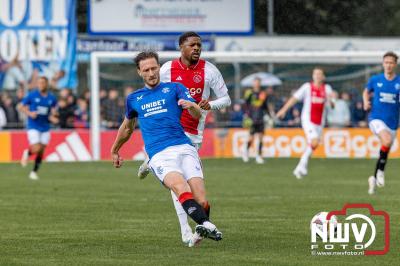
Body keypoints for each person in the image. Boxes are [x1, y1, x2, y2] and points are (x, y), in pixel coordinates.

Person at [110, 51, 222, 247]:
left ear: (158, 67)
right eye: (147, 70)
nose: (152, 73)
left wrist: (191, 106)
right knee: (180, 188)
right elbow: (127, 127)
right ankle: (206, 224)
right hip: (160, 154)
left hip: (185, 147)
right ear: (139, 72)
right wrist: (115, 150)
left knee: (202, 201)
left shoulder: (175, 88)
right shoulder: (134, 98)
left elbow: (197, 115)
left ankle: (200, 230)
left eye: (154, 68)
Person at [137, 31, 231, 244]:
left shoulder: (210, 70)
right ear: (182, 47)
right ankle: (185, 230)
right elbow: (153, 89)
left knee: (192, 189)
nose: (197, 48)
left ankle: (150, 163)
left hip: (193, 133)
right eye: (192, 45)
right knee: (178, 184)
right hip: (171, 129)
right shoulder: (168, 68)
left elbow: (226, 99)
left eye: (199, 45)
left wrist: (211, 104)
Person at [276, 67, 334, 179]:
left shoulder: (327, 88)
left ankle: (300, 168)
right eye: (315, 74)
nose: (317, 76)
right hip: (308, 120)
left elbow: (332, 105)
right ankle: (301, 166)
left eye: (319, 74)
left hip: (319, 122)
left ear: (323, 77)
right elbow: (294, 98)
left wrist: (332, 100)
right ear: (313, 76)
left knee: (314, 144)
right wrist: (283, 110)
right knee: (314, 141)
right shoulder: (307, 87)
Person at [364, 51, 400, 195]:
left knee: (385, 148)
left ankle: (373, 178)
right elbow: (366, 91)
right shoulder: (375, 79)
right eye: (386, 62)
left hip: (392, 122)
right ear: (383, 64)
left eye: (391, 62)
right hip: (376, 118)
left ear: (395, 64)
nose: (388, 65)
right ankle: (380, 172)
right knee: (386, 140)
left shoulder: (399, 82)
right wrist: (366, 101)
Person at [20, 76, 58, 180]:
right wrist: (29, 113)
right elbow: (20, 106)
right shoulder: (32, 95)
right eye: (39, 83)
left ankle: (34, 172)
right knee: (37, 148)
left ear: (47, 84)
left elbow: (54, 110)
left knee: (41, 151)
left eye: (43, 83)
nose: (41, 85)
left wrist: (54, 116)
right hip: (33, 126)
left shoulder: (52, 98)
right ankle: (27, 153)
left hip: (45, 126)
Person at [242, 77, 269, 164]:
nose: (257, 84)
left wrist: (268, 115)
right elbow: (245, 104)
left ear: (260, 84)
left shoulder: (263, 93)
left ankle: (259, 156)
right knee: (251, 138)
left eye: (258, 82)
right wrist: (246, 115)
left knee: (261, 138)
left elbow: (265, 106)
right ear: (253, 83)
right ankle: (246, 152)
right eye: (255, 82)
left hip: (260, 117)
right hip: (252, 118)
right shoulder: (249, 93)